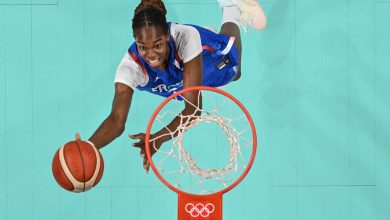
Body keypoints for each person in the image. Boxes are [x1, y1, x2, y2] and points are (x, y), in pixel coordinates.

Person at [77, 0, 266, 172]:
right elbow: (117, 121)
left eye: (157, 45)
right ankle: (195, 63)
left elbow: (193, 110)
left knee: (234, 71)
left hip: (192, 55)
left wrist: (158, 138)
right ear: (135, 41)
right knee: (181, 89)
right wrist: (86, 147)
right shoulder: (130, 67)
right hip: (175, 82)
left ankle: (230, 7)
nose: (150, 54)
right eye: (142, 47)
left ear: (167, 35)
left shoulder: (184, 36)